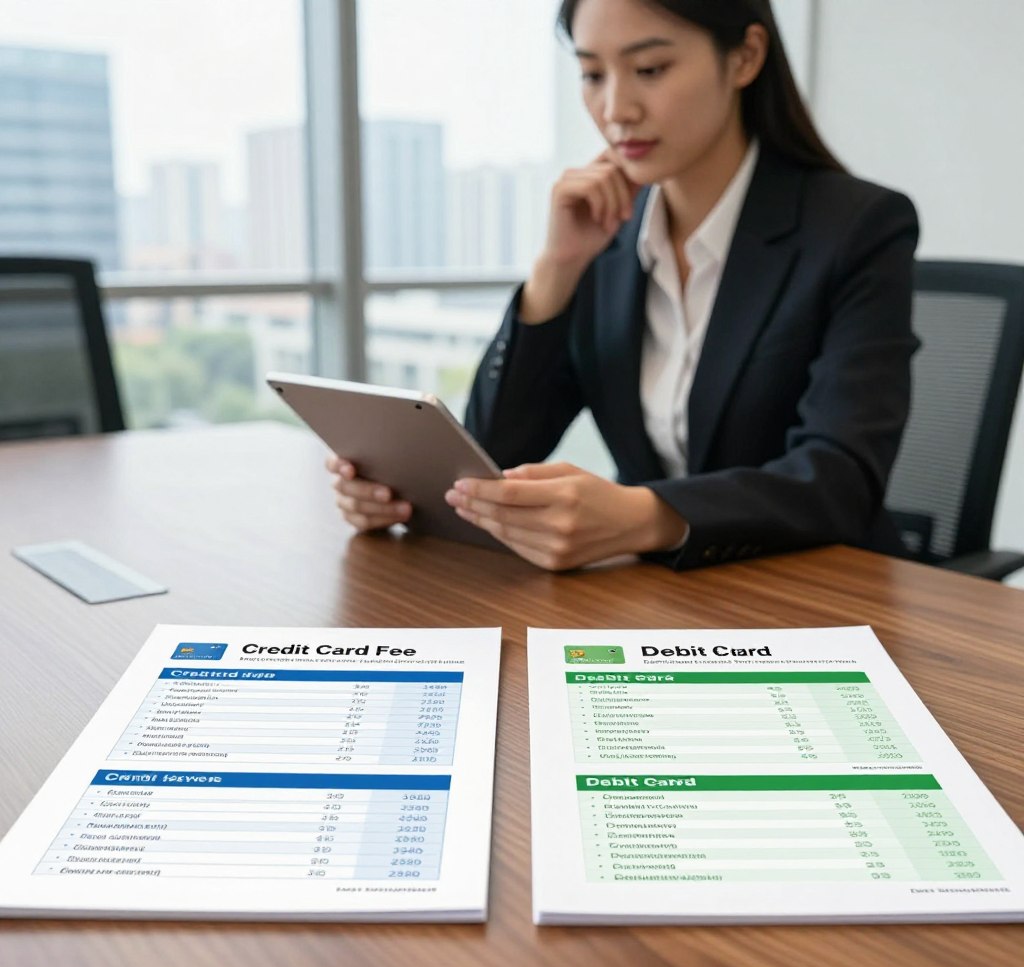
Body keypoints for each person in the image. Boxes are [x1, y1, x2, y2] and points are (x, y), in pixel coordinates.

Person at [328, 0, 919, 571]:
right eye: (591, 74)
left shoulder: (857, 229)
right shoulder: (605, 239)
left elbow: (841, 479)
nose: (616, 108)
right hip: (662, 598)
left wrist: (647, 515)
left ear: (744, 57)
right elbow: (493, 452)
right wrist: (555, 271)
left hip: (826, 597)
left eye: (650, 69)